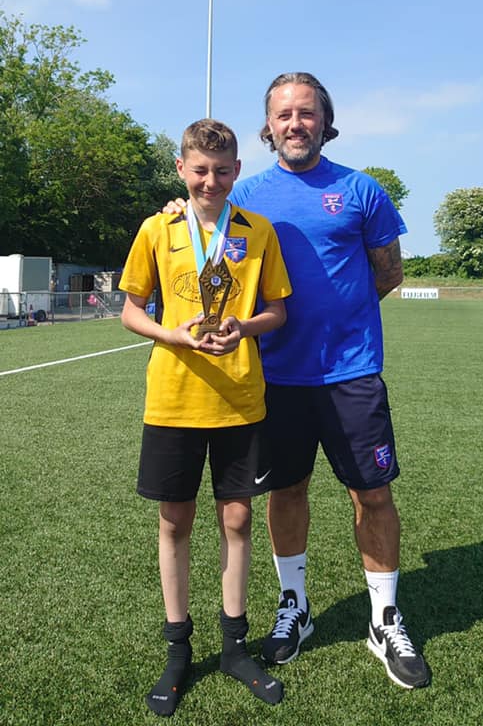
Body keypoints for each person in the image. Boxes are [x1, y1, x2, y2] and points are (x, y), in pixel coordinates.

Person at [164, 73, 431, 691]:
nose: (294, 123)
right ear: (268, 126)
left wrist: (342, 322)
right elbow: (200, 225)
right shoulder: (245, 195)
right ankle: (296, 606)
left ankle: (383, 618)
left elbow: (386, 273)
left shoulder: (362, 191)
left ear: (324, 121)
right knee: (286, 493)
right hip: (276, 377)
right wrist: (179, 207)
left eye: (306, 113)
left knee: (373, 495)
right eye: (282, 114)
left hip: (352, 373)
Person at [120, 119, 292, 716]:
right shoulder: (157, 228)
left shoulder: (259, 231)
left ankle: (234, 647)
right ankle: (177, 650)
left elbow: (277, 310)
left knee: (239, 517)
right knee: (174, 519)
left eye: (222, 170)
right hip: (173, 395)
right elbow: (130, 310)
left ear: (237, 171)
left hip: (241, 397)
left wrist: (244, 326)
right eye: (199, 170)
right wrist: (172, 334)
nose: (210, 180)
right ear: (181, 170)